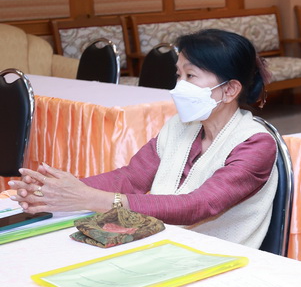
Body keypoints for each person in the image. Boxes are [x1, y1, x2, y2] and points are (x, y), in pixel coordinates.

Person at [10, 29, 278, 249]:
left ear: (230, 90)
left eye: (191, 76)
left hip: (218, 258)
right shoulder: (181, 126)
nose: (179, 86)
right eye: (179, 75)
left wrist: (88, 198)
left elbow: (199, 205)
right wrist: (56, 190)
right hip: (165, 243)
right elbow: (131, 178)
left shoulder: (256, 144)